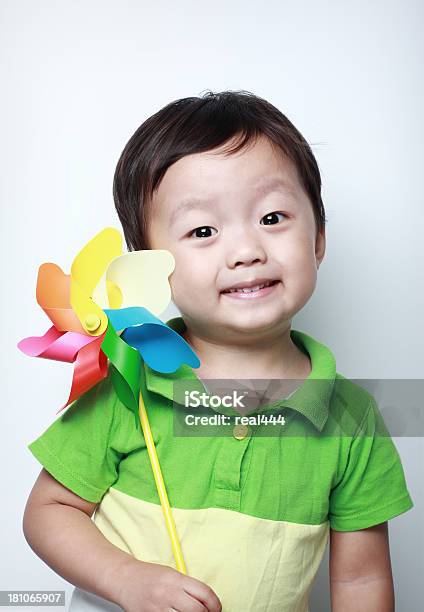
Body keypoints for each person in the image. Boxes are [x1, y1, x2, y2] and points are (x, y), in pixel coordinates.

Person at [23, 90, 413, 612]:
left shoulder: (353, 421)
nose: (247, 251)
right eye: (203, 230)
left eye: (273, 218)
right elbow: (49, 509)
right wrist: (127, 579)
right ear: (150, 266)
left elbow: (361, 582)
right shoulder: (127, 380)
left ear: (319, 237)